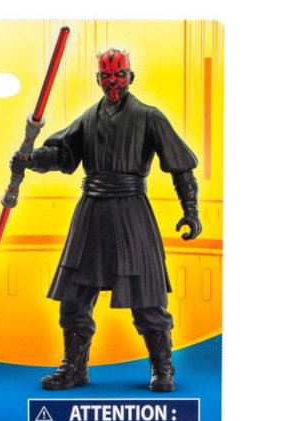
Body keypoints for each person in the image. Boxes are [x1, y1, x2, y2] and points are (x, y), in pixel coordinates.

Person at [13, 49, 202, 392]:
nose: (113, 82)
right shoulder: (89, 118)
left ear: (131, 77)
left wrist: (191, 211)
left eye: (119, 75)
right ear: (98, 79)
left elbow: (180, 166)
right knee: (74, 296)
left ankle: (162, 368)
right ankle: (74, 367)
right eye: (106, 76)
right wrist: (31, 159)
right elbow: (63, 155)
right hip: (91, 212)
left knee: (147, 297)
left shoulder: (149, 117)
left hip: (132, 212)